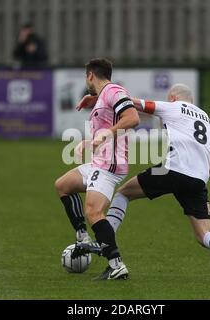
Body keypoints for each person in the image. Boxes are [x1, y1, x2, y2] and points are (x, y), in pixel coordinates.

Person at [77, 83, 210, 281]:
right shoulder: (209, 122)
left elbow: (130, 104)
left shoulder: (173, 107)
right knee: (204, 235)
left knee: (124, 193)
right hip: (199, 179)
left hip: (171, 170)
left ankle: (104, 241)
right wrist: (197, 181)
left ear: (173, 97)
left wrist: (98, 99)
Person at [54, 58, 140, 280]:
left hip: (110, 164)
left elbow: (132, 117)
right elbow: (108, 115)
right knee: (63, 185)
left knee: (93, 211)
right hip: (98, 162)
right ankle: (82, 237)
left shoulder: (112, 90)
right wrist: (94, 101)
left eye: (86, 77)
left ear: (90, 75)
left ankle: (116, 265)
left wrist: (108, 133)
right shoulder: (105, 95)